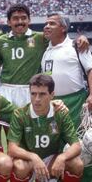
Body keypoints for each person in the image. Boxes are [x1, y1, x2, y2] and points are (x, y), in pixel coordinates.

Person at [0, 4, 90, 107]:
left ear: (29, 20)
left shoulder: (41, 38)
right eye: (15, 18)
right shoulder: (0, 41)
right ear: (8, 22)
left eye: (23, 18)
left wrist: (81, 37)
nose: (20, 22)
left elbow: (60, 38)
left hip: (33, 91)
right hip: (7, 89)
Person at [41, 13, 92, 182]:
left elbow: (90, 70)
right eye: (46, 23)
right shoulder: (46, 50)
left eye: (52, 24)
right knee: (58, 148)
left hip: (76, 103)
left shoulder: (77, 46)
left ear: (63, 28)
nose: (47, 26)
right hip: (53, 105)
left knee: (83, 146)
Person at [7, 74, 84, 182]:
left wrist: (62, 157)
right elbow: (12, 149)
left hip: (51, 161)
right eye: (33, 94)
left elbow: (76, 146)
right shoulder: (20, 114)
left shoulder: (60, 113)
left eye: (42, 94)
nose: (37, 99)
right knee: (20, 166)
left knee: (77, 163)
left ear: (52, 95)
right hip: (29, 162)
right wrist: (33, 157)